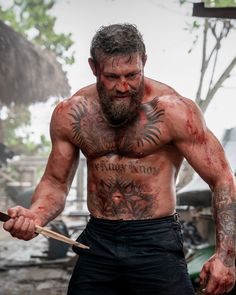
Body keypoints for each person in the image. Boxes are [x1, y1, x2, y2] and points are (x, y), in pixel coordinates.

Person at [3, 23, 236, 295]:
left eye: (132, 74)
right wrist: (35, 215)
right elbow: (55, 182)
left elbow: (222, 179)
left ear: (144, 62)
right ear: (94, 67)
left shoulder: (175, 111)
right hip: (98, 239)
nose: (123, 86)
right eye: (112, 76)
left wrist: (226, 256)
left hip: (156, 240)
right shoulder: (72, 113)